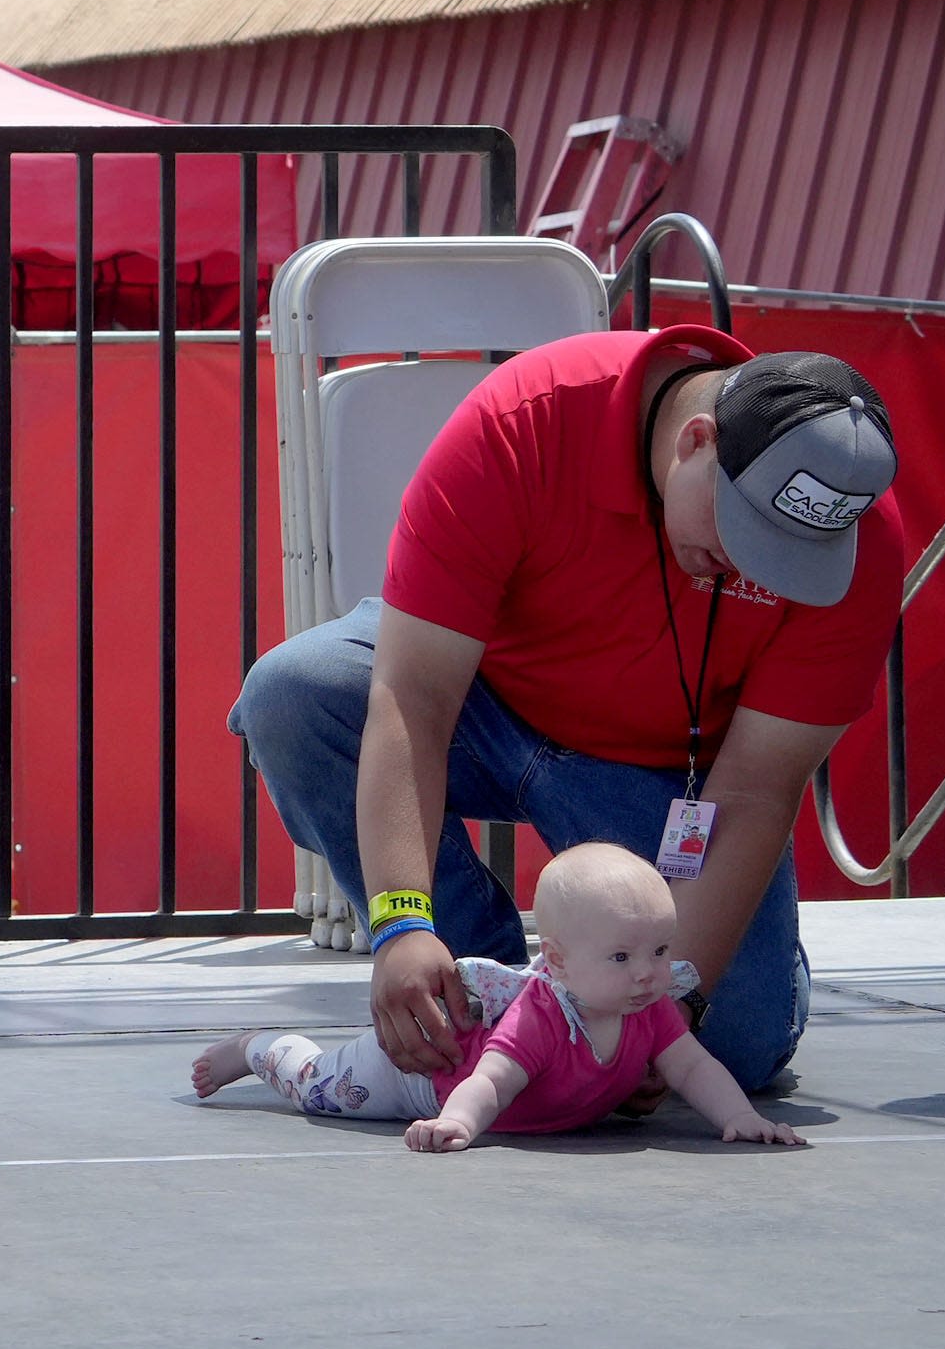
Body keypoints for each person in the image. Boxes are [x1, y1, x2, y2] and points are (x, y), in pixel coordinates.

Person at [229, 330, 903, 1094]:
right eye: (743, 530)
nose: (755, 566)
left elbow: (756, 788)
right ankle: (466, 971)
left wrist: (672, 1008)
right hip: (482, 704)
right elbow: (414, 697)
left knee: (728, 1048)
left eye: (790, 554)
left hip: (660, 775)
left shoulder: (861, 545)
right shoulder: (528, 417)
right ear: (695, 441)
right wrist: (401, 922)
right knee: (294, 692)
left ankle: (631, 996)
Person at [191, 844, 807, 1152]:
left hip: (464, 1088)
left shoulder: (643, 1008)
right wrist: (456, 1121)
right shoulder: (545, 1013)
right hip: (423, 1072)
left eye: (659, 951)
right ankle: (256, 1049)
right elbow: (491, 1080)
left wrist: (739, 1119)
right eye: (622, 957)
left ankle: (259, 1050)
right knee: (319, 1089)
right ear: (558, 962)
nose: (648, 975)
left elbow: (695, 1067)